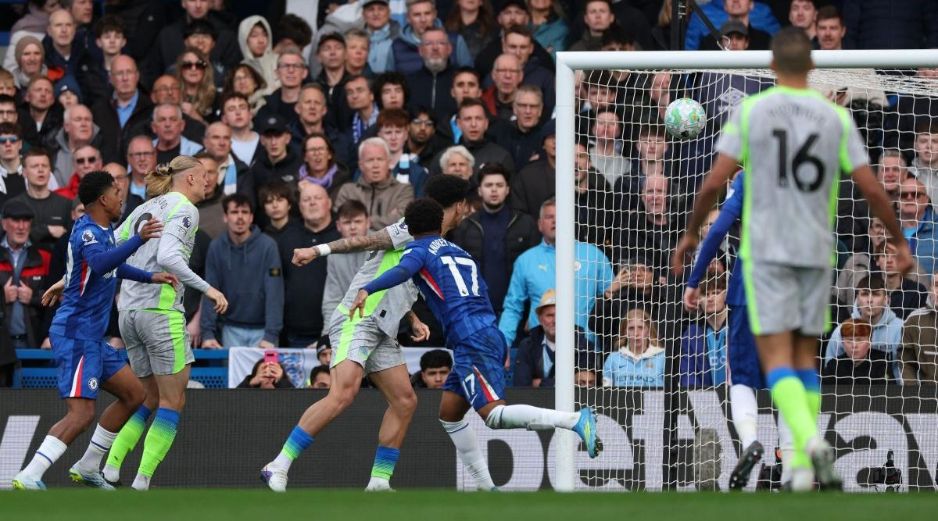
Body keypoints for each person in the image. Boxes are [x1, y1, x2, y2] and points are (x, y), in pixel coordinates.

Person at [672, 27, 911, 491]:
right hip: (809, 264)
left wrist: (692, 257)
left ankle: (749, 447)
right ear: (813, 69)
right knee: (800, 363)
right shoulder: (833, 120)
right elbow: (871, 188)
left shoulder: (752, 117)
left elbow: (717, 212)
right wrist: (898, 241)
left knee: (745, 373)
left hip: (757, 267)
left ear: (773, 69)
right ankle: (802, 457)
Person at [349, 197, 601, 491]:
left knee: (494, 416)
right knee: (450, 415)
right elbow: (482, 290)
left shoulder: (417, 249)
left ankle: (574, 420)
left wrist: (369, 287)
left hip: (470, 339)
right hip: (484, 331)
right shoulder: (459, 252)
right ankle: (486, 486)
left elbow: (403, 272)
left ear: (411, 226)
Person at [261, 177, 467, 493]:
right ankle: (278, 464)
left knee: (404, 400)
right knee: (343, 392)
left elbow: (397, 275)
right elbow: (366, 242)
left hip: (384, 329)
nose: (469, 212)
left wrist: (410, 317)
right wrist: (318, 251)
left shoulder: (435, 241)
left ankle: (379, 481)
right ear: (460, 206)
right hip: (357, 319)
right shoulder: (411, 226)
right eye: (468, 206)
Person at [12, 171, 172, 490]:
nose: (120, 197)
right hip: (75, 334)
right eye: (116, 191)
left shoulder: (104, 229)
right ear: (102, 199)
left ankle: (87, 466)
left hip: (91, 337)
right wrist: (138, 238)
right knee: (82, 413)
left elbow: (111, 266)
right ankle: (29, 475)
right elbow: (100, 264)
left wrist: (149, 277)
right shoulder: (87, 232)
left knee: (135, 394)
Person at [100, 156, 229, 490]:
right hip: (160, 313)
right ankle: (142, 478)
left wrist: (68, 280)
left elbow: (109, 249)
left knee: (148, 397)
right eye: (203, 176)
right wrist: (209, 288)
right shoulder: (185, 208)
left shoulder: (147, 207)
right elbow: (169, 258)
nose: (207, 181)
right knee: (173, 400)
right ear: (187, 179)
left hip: (128, 313)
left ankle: (112, 467)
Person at [683, 171, 795, 489]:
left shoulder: (749, 178)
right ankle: (789, 469)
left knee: (741, 378)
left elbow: (717, 228)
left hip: (749, 287)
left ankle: (749, 444)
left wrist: (694, 281)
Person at [499, 197, 613, 347]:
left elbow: (612, 299)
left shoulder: (592, 255)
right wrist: (502, 346)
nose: (555, 221)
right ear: (540, 224)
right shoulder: (526, 261)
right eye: (549, 217)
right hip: (540, 349)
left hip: (585, 349)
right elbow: (513, 308)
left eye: (560, 216)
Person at [451, 164, 539, 316]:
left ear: (507, 190)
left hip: (518, 309)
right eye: (488, 185)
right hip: (476, 309)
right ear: (479, 190)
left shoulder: (525, 223)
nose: (494, 189)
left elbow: (535, 269)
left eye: (499, 185)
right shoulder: (465, 226)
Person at [200, 194, 282, 350]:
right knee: (231, 375)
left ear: (251, 217)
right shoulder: (216, 247)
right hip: (230, 329)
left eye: (244, 212)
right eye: (234, 212)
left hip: (263, 331)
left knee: (266, 375)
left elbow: (275, 292)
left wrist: (271, 334)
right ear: (225, 217)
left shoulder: (268, 246)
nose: (240, 218)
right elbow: (210, 289)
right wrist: (208, 334)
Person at [276, 183, 341, 347]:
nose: (312, 203)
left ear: (329, 203)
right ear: (299, 207)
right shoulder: (286, 237)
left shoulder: (342, 237)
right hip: (295, 333)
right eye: (306, 199)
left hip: (338, 330)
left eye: (317, 198)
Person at [0, 199, 53, 353]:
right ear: (4, 223)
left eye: (26, 220)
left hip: (34, 342)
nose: (22, 227)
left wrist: (34, 297)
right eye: (16, 220)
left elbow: (58, 299)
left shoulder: (44, 256)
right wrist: (2, 297)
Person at [513, 289, 591, 388]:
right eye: (549, 315)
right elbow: (521, 387)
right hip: (534, 402)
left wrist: (539, 383)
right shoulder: (527, 346)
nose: (555, 321)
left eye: (560, 315)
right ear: (540, 319)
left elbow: (585, 386)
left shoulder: (584, 346)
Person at [334, 138, 414, 231]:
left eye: (380, 159)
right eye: (370, 160)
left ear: (389, 163)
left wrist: (361, 222)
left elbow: (401, 224)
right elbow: (340, 223)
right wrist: (388, 218)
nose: (375, 165)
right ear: (361, 165)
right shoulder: (347, 191)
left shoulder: (403, 190)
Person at [12, 148, 73, 252]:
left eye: (44, 166)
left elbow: (74, 238)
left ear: (50, 170)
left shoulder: (65, 204)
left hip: (57, 263)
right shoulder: (14, 205)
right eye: (35, 166)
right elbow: (11, 238)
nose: (40, 170)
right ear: (24, 172)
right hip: (26, 264)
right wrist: (47, 230)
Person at [601, 309, 665, 388]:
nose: (636, 333)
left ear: (648, 331)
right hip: (622, 400)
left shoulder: (663, 358)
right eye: (631, 328)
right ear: (625, 332)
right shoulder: (613, 358)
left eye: (641, 328)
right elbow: (606, 393)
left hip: (651, 400)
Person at [823, 318, 890, 387]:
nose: (854, 346)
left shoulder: (883, 362)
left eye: (859, 340)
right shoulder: (833, 366)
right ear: (842, 343)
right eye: (849, 340)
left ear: (869, 342)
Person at [901, 274, 938, 384]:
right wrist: (913, 391)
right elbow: (905, 361)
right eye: (937, 285)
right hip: (926, 395)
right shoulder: (914, 320)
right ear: (930, 289)